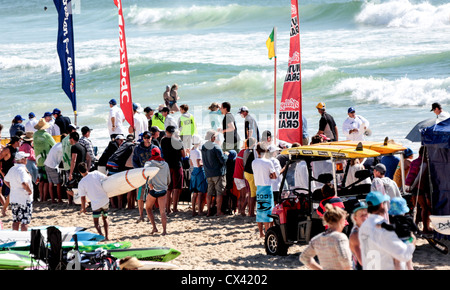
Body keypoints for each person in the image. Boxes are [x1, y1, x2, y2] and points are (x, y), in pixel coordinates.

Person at [358, 191, 416, 270]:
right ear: (382, 205)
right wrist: (412, 241)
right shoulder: (382, 228)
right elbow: (404, 255)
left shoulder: (364, 226)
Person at [299, 204, 352, 270]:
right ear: (341, 221)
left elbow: (304, 257)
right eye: (344, 220)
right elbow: (345, 260)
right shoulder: (340, 237)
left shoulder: (316, 239)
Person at [378, 197, 418, 270]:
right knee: (409, 262)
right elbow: (415, 229)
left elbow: (391, 227)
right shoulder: (409, 218)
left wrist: (383, 225)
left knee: (397, 262)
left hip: (399, 243)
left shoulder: (395, 220)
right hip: (408, 241)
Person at [74, 162, 110, 240]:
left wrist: (83, 208)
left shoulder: (81, 183)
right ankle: (107, 236)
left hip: (96, 204)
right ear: (87, 168)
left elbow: (82, 198)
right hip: (105, 200)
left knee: (96, 222)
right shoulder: (96, 173)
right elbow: (106, 178)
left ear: (80, 172)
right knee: (105, 218)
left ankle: (101, 235)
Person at [405, 146, 432, 233]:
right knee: (425, 208)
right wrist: (410, 186)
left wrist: (408, 186)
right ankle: (425, 228)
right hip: (418, 188)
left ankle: (416, 227)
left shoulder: (415, 162)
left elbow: (410, 175)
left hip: (414, 188)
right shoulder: (423, 163)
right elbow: (415, 176)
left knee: (417, 208)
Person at [4, 151, 34, 231]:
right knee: (25, 221)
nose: (26, 159)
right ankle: (23, 239)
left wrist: (13, 187)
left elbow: (6, 180)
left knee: (16, 220)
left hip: (14, 198)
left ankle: (15, 238)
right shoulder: (21, 170)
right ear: (22, 160)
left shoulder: (13, 168)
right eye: (25, 158)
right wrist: (29, 191)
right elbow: (24, 183)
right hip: (24, 198)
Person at [251, 143, 276, 238]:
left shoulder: (254, 162)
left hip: (259, 187)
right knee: (267, 210)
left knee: (260, 210)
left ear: (257, 151)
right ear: (265, 151)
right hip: (267, 187)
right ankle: (267, 231)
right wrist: (269, 175)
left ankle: (261, 232)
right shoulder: (268, 162)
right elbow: (274, 176)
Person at [201, 130, 228, 217]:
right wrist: (226, 155)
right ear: (213, 137)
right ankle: (218, 211)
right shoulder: (216, 147)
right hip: (218, 173)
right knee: (219, 192)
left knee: (209, 193)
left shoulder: (203, 147)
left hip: (208, 173)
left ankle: (209, 211)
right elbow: (222, 160)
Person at [144, 147, 170, 235]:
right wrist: (165, 185)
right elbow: (168, 178)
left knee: (148, 208)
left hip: (153, 190)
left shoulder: (149, 164)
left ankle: (154, 227)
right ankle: (164, 231)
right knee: (163, 211)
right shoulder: (165, 164)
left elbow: (146, 176)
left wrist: (149, 184)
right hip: (163, 190)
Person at [160, 125, 185, 214]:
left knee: (168, 189)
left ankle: (168, 208)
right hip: (177, 165)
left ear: (166, 132)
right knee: (176, 188)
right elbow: (183, 155)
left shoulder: (163, 141)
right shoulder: (178, 141)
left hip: (167, 166)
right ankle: (174, 208)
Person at [133, 131, 156, 219]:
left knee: (153, 194)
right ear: (143, 138)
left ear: (151, 138)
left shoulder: (155, 148)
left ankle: (151, 212)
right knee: (140, 195)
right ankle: (141, 215)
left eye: (148, 137)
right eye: (145, 138)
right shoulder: (137, 148)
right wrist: (139, 170)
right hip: (141, 174)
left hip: (152, 174)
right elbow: (134, 161)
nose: (147, 139)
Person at [33, 118, 56, 202]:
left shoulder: (35, 135)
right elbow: (54, 145)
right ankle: (44, 198)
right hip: (46, 160)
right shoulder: (46, 135)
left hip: (38, 160)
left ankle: (41, 197)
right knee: (46, 181)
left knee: (41, 180)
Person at [0, 136, 21, 216]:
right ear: (15, 142)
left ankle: (6, 208)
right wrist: (1, 172)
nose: (20, 143)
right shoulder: (7, 150)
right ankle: (5, 208)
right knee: (13, 190)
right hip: (7, 173)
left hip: (14, 172)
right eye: (19, 141)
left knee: (14, 190)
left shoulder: (16, 149)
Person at [189, 135, 207, 216]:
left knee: (194, 193)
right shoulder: (198, 152)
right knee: (200, 193)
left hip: (194, 172)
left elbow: (191, 163)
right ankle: (199, 211)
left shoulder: (191, 151)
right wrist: (205, 163)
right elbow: (199, 164)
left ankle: (193, 211)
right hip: (199, 172)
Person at [348, 200, 369, 270]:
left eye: (366, 214)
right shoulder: (355, 235)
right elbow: (362, 261)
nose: (365, 218)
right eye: (361, 215)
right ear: (355, 218)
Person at [44, 139, 64, 203]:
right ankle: (59, 199)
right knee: (58, 183)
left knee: (51, 183)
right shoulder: (62, 147)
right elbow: (64, 159)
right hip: (53, 166)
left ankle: (52, 199)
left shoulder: (56, 144)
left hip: (47, 164)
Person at [243, 138, 257, 217]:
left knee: (249, 193)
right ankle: (251, 212)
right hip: (250, 173)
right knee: (252, 194)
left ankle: (246, 210)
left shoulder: (245, 151)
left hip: (246, 173)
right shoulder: (252, 152)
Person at [233, 146, 248, 216]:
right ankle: (242, 211)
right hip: (240, 176)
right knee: (243, 196)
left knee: (240, 195)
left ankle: (239, 209)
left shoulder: (240, 152)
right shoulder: (246, 153)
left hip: (236, 176)